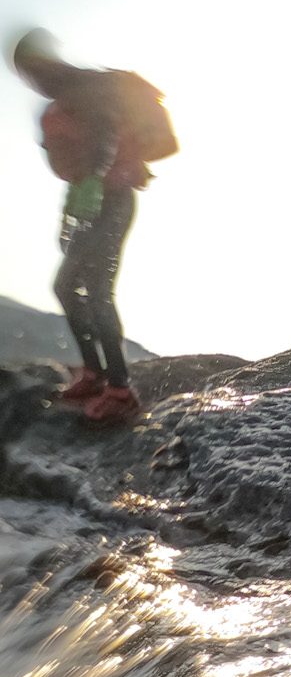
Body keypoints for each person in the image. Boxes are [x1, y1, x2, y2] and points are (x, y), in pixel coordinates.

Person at [9, 29, 175, 426]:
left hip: (111, 198)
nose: (31, 80)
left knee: (97, 289)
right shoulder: (68, 95)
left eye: (30, 69)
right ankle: (94, 374)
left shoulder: (86, 87)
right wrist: (74, 205)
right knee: (67, 286)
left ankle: (120, 389)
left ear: (42, 61)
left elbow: (102, 139)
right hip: (94, 199)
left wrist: (90, 188)